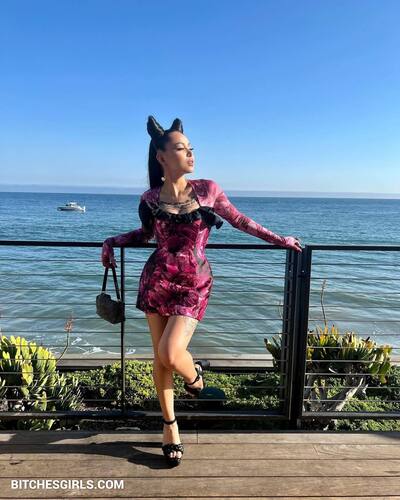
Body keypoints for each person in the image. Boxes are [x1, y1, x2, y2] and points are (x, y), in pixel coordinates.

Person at [101, 115, 302, 466]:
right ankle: (170, 427)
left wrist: (279, 240)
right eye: (182, 148)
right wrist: (111, 242)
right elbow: (145, 236)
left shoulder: (208, 190)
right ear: (161, 156)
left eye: (191, 148)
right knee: (160, 358)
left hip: (194, 282)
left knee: (170, 352)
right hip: (156, 281)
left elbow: (241, 221)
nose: (191, 154)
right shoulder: (150, 198)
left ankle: (194, 378)